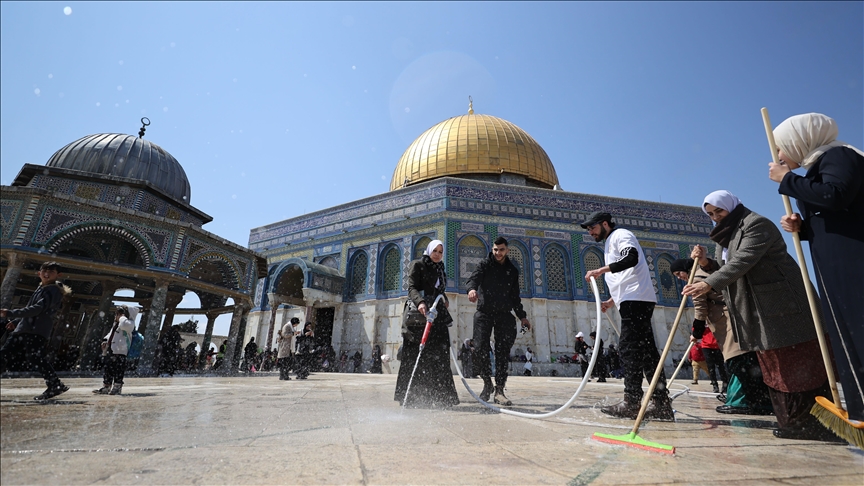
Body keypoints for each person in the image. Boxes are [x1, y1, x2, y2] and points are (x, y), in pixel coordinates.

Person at [682, 190, 843, 442]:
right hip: (756, 308)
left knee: (796, 362)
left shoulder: (756, 224)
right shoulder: (726, 235)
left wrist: (708, 283)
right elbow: (727, 268)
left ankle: (812, 423)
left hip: (782, 303)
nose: (715, 218)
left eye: (719, 211)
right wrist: (705, 264)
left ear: (731, 206)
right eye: (711, 214)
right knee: (774, 364)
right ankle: (793, 421)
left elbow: (745, 260)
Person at [768, 113, 864, 426]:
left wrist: (788, 180)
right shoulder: (817, 168)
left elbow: (836, 196)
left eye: (781, 148)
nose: (779, 156)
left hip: (853, 260)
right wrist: (804, 227)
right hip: (834, 261)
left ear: (800, 140)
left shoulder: (839, 156)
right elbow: (832, 216)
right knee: (846, 330)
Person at [582, 211, 674, 421]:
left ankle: (632, 402)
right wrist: (611, 301)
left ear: (605, 224)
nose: (590, 233)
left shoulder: (621, 235)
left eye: (593, 228)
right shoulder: (610, 242)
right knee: (648, 354)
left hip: (636, 300)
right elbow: (626, 277)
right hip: (633, 299)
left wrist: (601, 270)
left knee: (629, 348)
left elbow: (631, 258)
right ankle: (661, 404)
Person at [672, 253, 772, 414]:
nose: (679, 278)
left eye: (679, 274)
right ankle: (760, 400)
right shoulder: (708, 273)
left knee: (737, 362)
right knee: (747, 360)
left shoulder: (696, 280)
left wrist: (696, 332)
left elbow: (700, 310)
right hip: (739, 319)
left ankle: (744, 401)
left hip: (726, 323)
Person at [466, 236, 531, 406]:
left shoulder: (512, 271)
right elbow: (474, 279)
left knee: (502, 352)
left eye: (501, 250)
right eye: (495, 249)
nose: (498, 253)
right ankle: (487, 383)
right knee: (479, 348)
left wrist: (522, 316)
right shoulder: (484, 265)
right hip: (484, 312)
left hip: (504, 314)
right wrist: (472, 289)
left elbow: (515, 297)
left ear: (507, 250)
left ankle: (499, 390)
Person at [394, 239, 460, 408]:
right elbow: (412, 288)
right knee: (416, 354)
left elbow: (438, 290)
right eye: (435, 251)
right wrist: (421, 302)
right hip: (419, 315)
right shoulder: (417, 264)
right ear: (428, 250)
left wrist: (444, 299)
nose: (437, 255)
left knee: (439, 354)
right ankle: (411, 396)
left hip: (437, 314)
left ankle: (439, 396)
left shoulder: (440, 268)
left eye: (440, 251)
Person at [0, 261, 71, 401]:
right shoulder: (42, 288)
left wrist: (10, 313)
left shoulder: (53, 290)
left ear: (58, 275)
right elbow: (30, 307)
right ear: (39, 273)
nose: (46, 273)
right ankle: (55, 384)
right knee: (8, 355)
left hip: (35, 330)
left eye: (51, 271)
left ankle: (55, 384)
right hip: (26, 329)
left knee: (26, 357)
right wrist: (16, 322)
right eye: (44, 270)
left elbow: (38, 309)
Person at [94, 305, 136, 395]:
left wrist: (122, 317)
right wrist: (105, 340)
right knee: (108, 368)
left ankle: (117, 387)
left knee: (118, 369)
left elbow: (124, 325)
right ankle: (106, 386)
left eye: (119, 314)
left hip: (121, 351)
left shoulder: (130, 323)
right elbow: (111, 334)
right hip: (112, 349)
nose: (116, 316)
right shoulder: (116, 325)